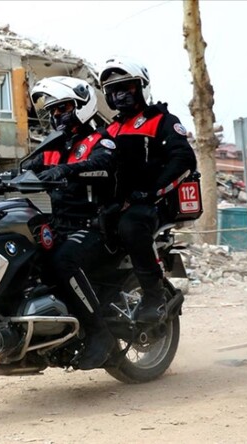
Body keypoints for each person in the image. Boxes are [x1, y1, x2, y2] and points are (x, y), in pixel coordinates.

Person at [24, 76, 118, 370]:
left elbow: (102, 164)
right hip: (60, 224)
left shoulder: (100, 141)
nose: (56, 116)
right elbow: (27, 167)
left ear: (82, 105)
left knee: (62, 261)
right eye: (52, 111)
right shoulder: (53, 146)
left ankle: (100, 334)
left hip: (93, 226)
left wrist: (66, 170)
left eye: (62, 108)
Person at [98, 56, 197, 323]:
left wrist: (151, 192)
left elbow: (184, 159)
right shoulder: (111, 129)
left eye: (127, 87)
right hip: (122, 202)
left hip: (154, 202)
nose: (120, 94)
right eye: (114, 90)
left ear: (141, 87)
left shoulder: (161, 120)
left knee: (132, 225)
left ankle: (155, 295)